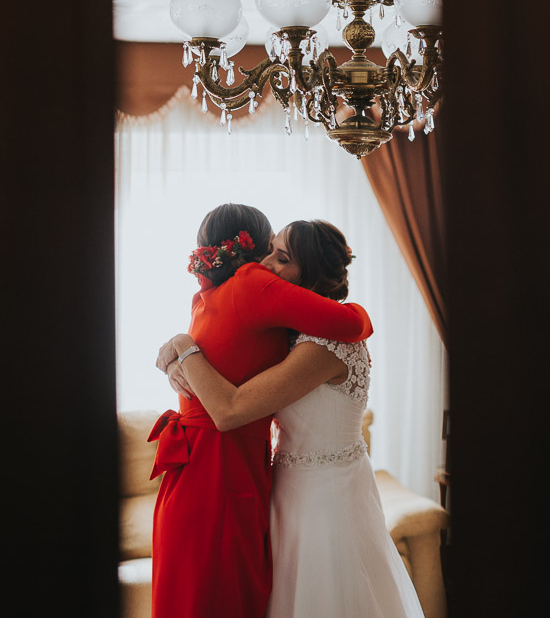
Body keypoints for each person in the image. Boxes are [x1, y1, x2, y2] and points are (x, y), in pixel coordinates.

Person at [159, 220, 424, 618]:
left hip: (323, 499)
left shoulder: (325, 345)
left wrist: (184, 345)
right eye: (269, 251)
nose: (265, 265)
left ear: (312, 271)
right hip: (286, 492)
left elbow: (230, 410)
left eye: (281, 258)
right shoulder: (293, 334)